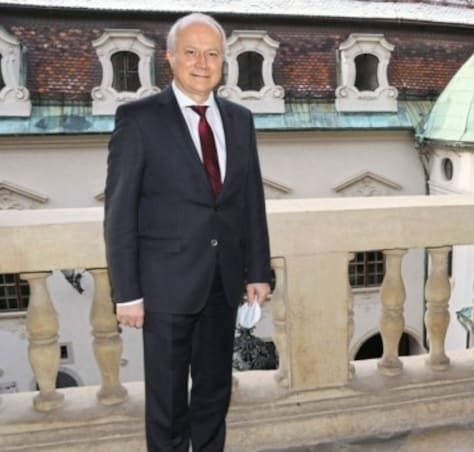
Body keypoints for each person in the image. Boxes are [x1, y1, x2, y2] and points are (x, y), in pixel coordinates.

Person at [103, 12, 272, 452]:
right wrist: (127, 292)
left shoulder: (239, 119)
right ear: (171, 58)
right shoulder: (139, 119)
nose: (203, 62)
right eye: (192, 52)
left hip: (222, 282)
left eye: (213, 53)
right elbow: (120, 214)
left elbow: (250, 200)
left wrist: (258, 271)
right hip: (164, 289)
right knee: (168, 404)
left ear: (224, 62)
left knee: (215, 394)